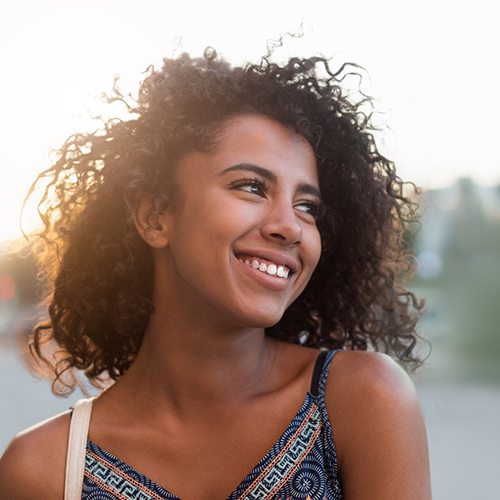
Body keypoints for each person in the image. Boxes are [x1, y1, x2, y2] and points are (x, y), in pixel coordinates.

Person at [0, 47, 431, 499]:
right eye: (251, 186)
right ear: (156, 216)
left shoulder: (362, 400)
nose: (290, 226)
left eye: (308, 207)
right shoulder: (42, 469)